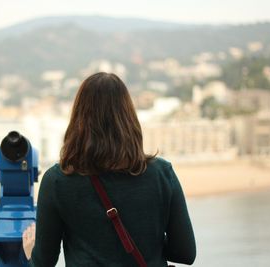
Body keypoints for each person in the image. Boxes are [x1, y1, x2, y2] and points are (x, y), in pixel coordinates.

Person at [22, 72, 196, 266]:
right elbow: (186, 253)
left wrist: (30, 252)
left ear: (79, 118)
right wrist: (147, 239)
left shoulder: (57, 181)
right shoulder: (162, 173)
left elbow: (43, 263)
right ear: (128, 116)